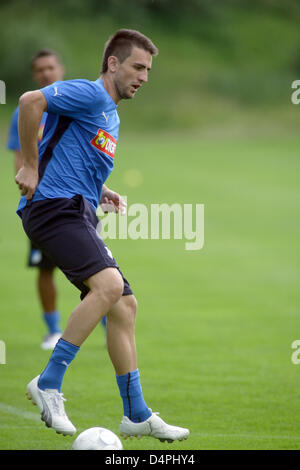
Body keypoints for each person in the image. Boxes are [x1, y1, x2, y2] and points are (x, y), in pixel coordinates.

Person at [16, 29, 189, 442]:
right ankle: (49, 381)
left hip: (76, 210)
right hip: (54, 209)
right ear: (113, 63)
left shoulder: (110, 112)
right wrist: (28, 164)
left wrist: (101, 190)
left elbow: (75, 153)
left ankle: (136, 414)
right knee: (109, 286)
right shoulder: (91, 94)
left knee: (124, 306)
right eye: (138, 66)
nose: (144, 76)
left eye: (148, 69)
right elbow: (29, 101)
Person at [7, 49, 65, 350]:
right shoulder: (25, 111)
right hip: (42, 203)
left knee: (96, 266)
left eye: (50, 67)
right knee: (45, 268)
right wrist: (29, 187)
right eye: (40, 69)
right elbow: (20, 159)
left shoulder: (72, 105)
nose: (46, 73)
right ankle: (53, 330)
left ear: (61, 69)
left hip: (77, 199)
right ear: (34, 75)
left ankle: (108, 322)